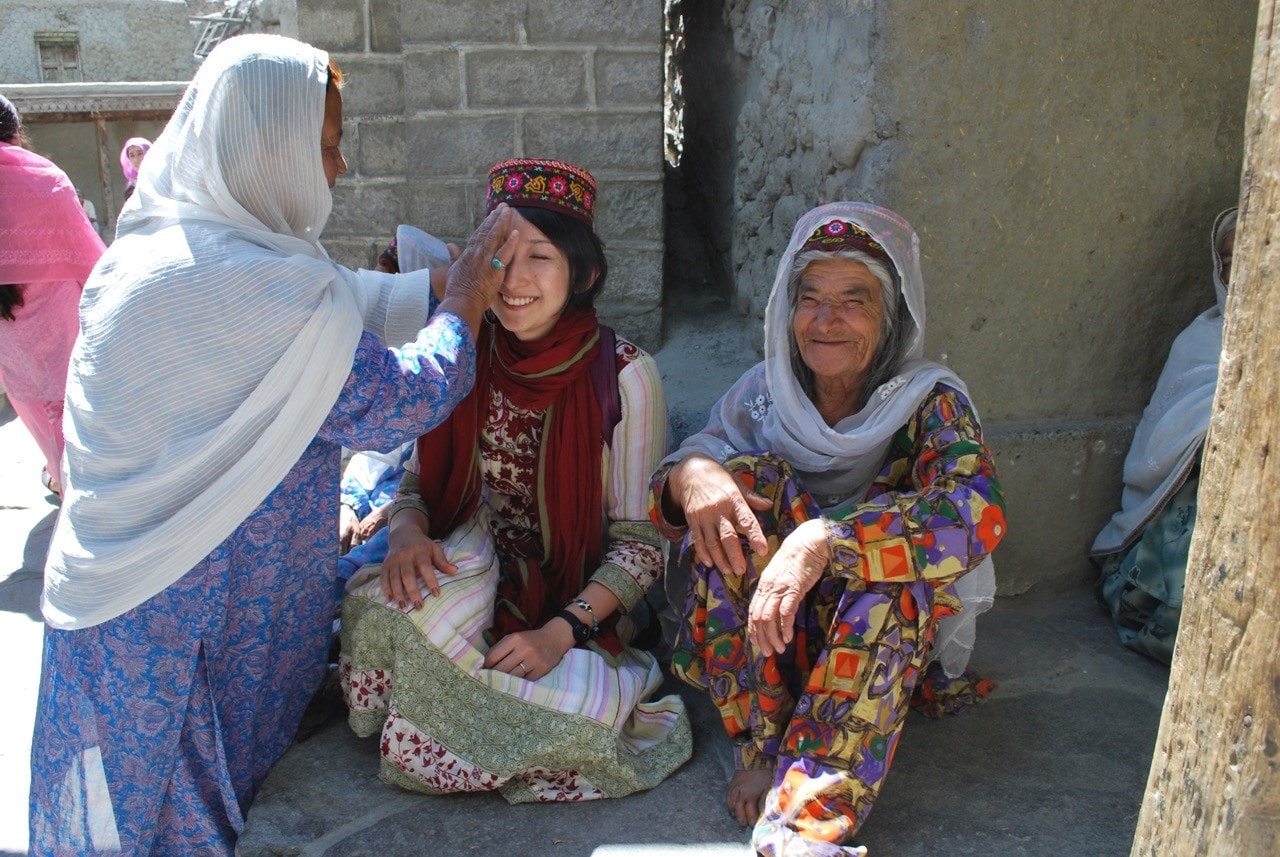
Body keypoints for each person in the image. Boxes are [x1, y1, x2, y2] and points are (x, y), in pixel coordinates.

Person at [28, 34, 519, 855]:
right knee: (171, 819)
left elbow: (335, 301)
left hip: (111, 609)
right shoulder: (266, 288)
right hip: (187, 621)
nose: (341, 167)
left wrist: (432, 282)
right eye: (326, 146)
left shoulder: (158, 251)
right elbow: (399, 397)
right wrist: (464, 300)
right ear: (265, 148)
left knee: (110, 811)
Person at [650, 202, 1005, 855]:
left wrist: (829, 539)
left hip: (879, 636)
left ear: (890, 318)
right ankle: (760, 740)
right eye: (809, 297)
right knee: (738, 492)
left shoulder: (927, 403)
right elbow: (668, 495)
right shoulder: (766, 392)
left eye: (853, 300)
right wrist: (692, 472)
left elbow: (975, 510)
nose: (826, 318)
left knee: (892, 572)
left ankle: (806, 811)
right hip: (772, 632)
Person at [340, 158, 692, 803]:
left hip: (578, 589)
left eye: (541, 257)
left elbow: (642, 541)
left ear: (583, 274)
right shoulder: (464, 346)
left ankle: (474, 703)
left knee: (585, 720)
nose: (514, 280)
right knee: (379, 614)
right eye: (500, 256)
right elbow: (418, 481)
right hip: (478, 552)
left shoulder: (624, 375)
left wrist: (559, 633)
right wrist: (408, 535)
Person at [1090, 207, 1237, 664]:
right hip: (1196, 505)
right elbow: (1168, 442)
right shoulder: (1204, 340)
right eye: (1231, 259)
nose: (1242, 269)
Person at [0, 94, 106, 498]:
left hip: (13, 357)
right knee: (81, 436)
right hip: (65, 345)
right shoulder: (43, 181)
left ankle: (61, 479)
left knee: (48, 434)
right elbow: (95, 268)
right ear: (15, 132)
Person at [119, 135, 151, 200]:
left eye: (140, 154)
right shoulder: (132, 188)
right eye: (132, 155)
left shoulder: (163, 179)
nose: (136, 160)